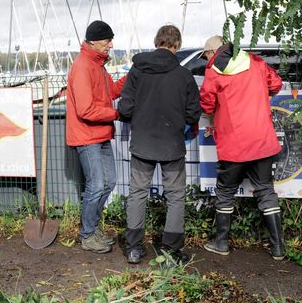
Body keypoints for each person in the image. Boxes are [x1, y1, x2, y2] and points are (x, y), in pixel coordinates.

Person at [118, 25, 201, 264]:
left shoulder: (137, 70)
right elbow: (193, 113)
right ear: (177, 46)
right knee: (175, 196)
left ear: (157, 42)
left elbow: (125, 108)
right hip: (172, 144)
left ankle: (134, 248)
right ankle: (171, 252)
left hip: (142, 143)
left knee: (137, 193)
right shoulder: (184, 75)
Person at [199, 35, 285, 260]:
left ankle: (221, 243)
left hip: (233, 143)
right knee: (266, 190)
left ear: (214, 51)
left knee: (226, 191)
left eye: (207, 54)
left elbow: (207, 104)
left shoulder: (213, 71)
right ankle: (278, 248)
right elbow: (276, 84)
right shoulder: (255, 62)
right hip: (261, 139)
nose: (207, 59)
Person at [66, 20, 127, 254]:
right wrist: (117, 114)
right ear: (94, 41)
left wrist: (133, 76)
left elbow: (110, 91)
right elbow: (85, 110)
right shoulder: (83, 66)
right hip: (86, 135)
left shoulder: (97, 65)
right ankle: (88, 235)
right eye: (107, 40)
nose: (111, 45)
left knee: (109, 182)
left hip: (100, 133)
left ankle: (92, 228)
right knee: (96, 185)